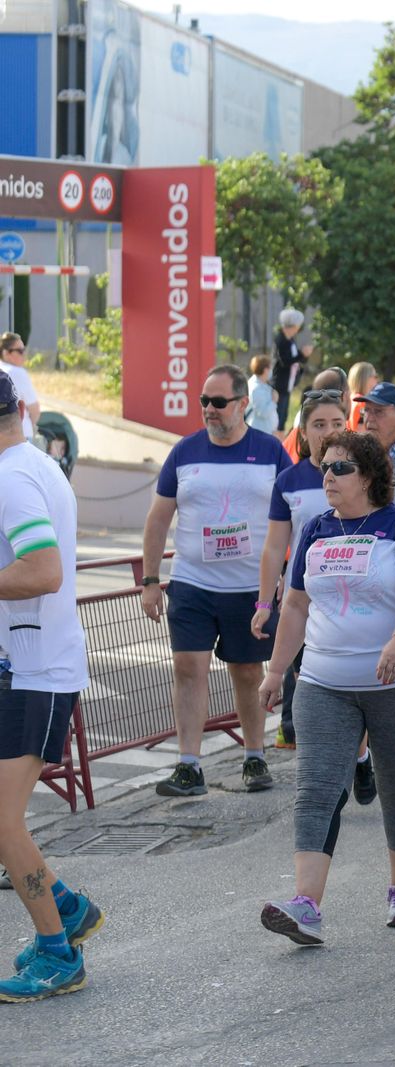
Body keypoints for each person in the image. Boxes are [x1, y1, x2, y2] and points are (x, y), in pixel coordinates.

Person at [258, 431, 395, 946]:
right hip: (323, 682)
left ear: (369, 476)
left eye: (340, 468)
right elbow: (295, 605)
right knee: (316, 787)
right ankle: (306, 905)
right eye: (325, 467)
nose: (328, 477)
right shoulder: (315, 530)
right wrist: (276, 671)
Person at [141, 364, 291, 796]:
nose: (209, 409)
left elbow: (294, 516)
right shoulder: (184, 451)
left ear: (244, 404)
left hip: (249, 587)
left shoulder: (270, 451)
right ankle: (189, 764)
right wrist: (151, 580)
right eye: (204, 401)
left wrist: (286, 575)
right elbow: (157, 519)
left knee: (246, 671)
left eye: (218, 402)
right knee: (188, 667)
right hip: (192, 582)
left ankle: (254, 756)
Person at [0, 373, 100, 1002]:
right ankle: (66, 909)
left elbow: (43, 569)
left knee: (3, 824)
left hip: (33, 672)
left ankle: (58, 952)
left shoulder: (10, 478)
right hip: (33, 666)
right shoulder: (33, 462)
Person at [252, 392, 346, 754]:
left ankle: (360, 757)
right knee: (311, 686)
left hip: (354, 600)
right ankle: (320, 766)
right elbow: (275, 547)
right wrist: (264, 603)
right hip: (305, 601)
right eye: (319, 425)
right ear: (303, 433)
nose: (329, 432)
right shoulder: (289, 480)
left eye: (337, 423)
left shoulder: (365, 472)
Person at [271, 309, 308, 432]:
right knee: (278, 418)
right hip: (280, 384)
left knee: (284, 417)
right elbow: (285, 361)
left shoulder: (290, 340)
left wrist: (303, 356)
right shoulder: (281, 340)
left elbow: (295, 358)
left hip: (288, 384)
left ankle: (280, 440)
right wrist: (302, 354)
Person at [0, 333, 40, 441]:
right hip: (20, 435)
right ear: (6, 353)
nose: (24, 354)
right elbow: (34, 409)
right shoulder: (18, 373)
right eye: (20, 351)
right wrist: (31, 427)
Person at [246, 355, 278, 434]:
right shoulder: (256, 388)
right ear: (265, 370)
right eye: (270, 368)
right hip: (260, 430)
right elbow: (262, 412)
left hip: (265, 430)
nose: (271, 371)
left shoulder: (262, 384)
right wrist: (274, 401)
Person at [347, 363, 378, 432]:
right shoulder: (362, 402)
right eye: (375, 376)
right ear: (366, 379)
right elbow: (361, 431)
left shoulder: (349, 399)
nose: (377, 380)